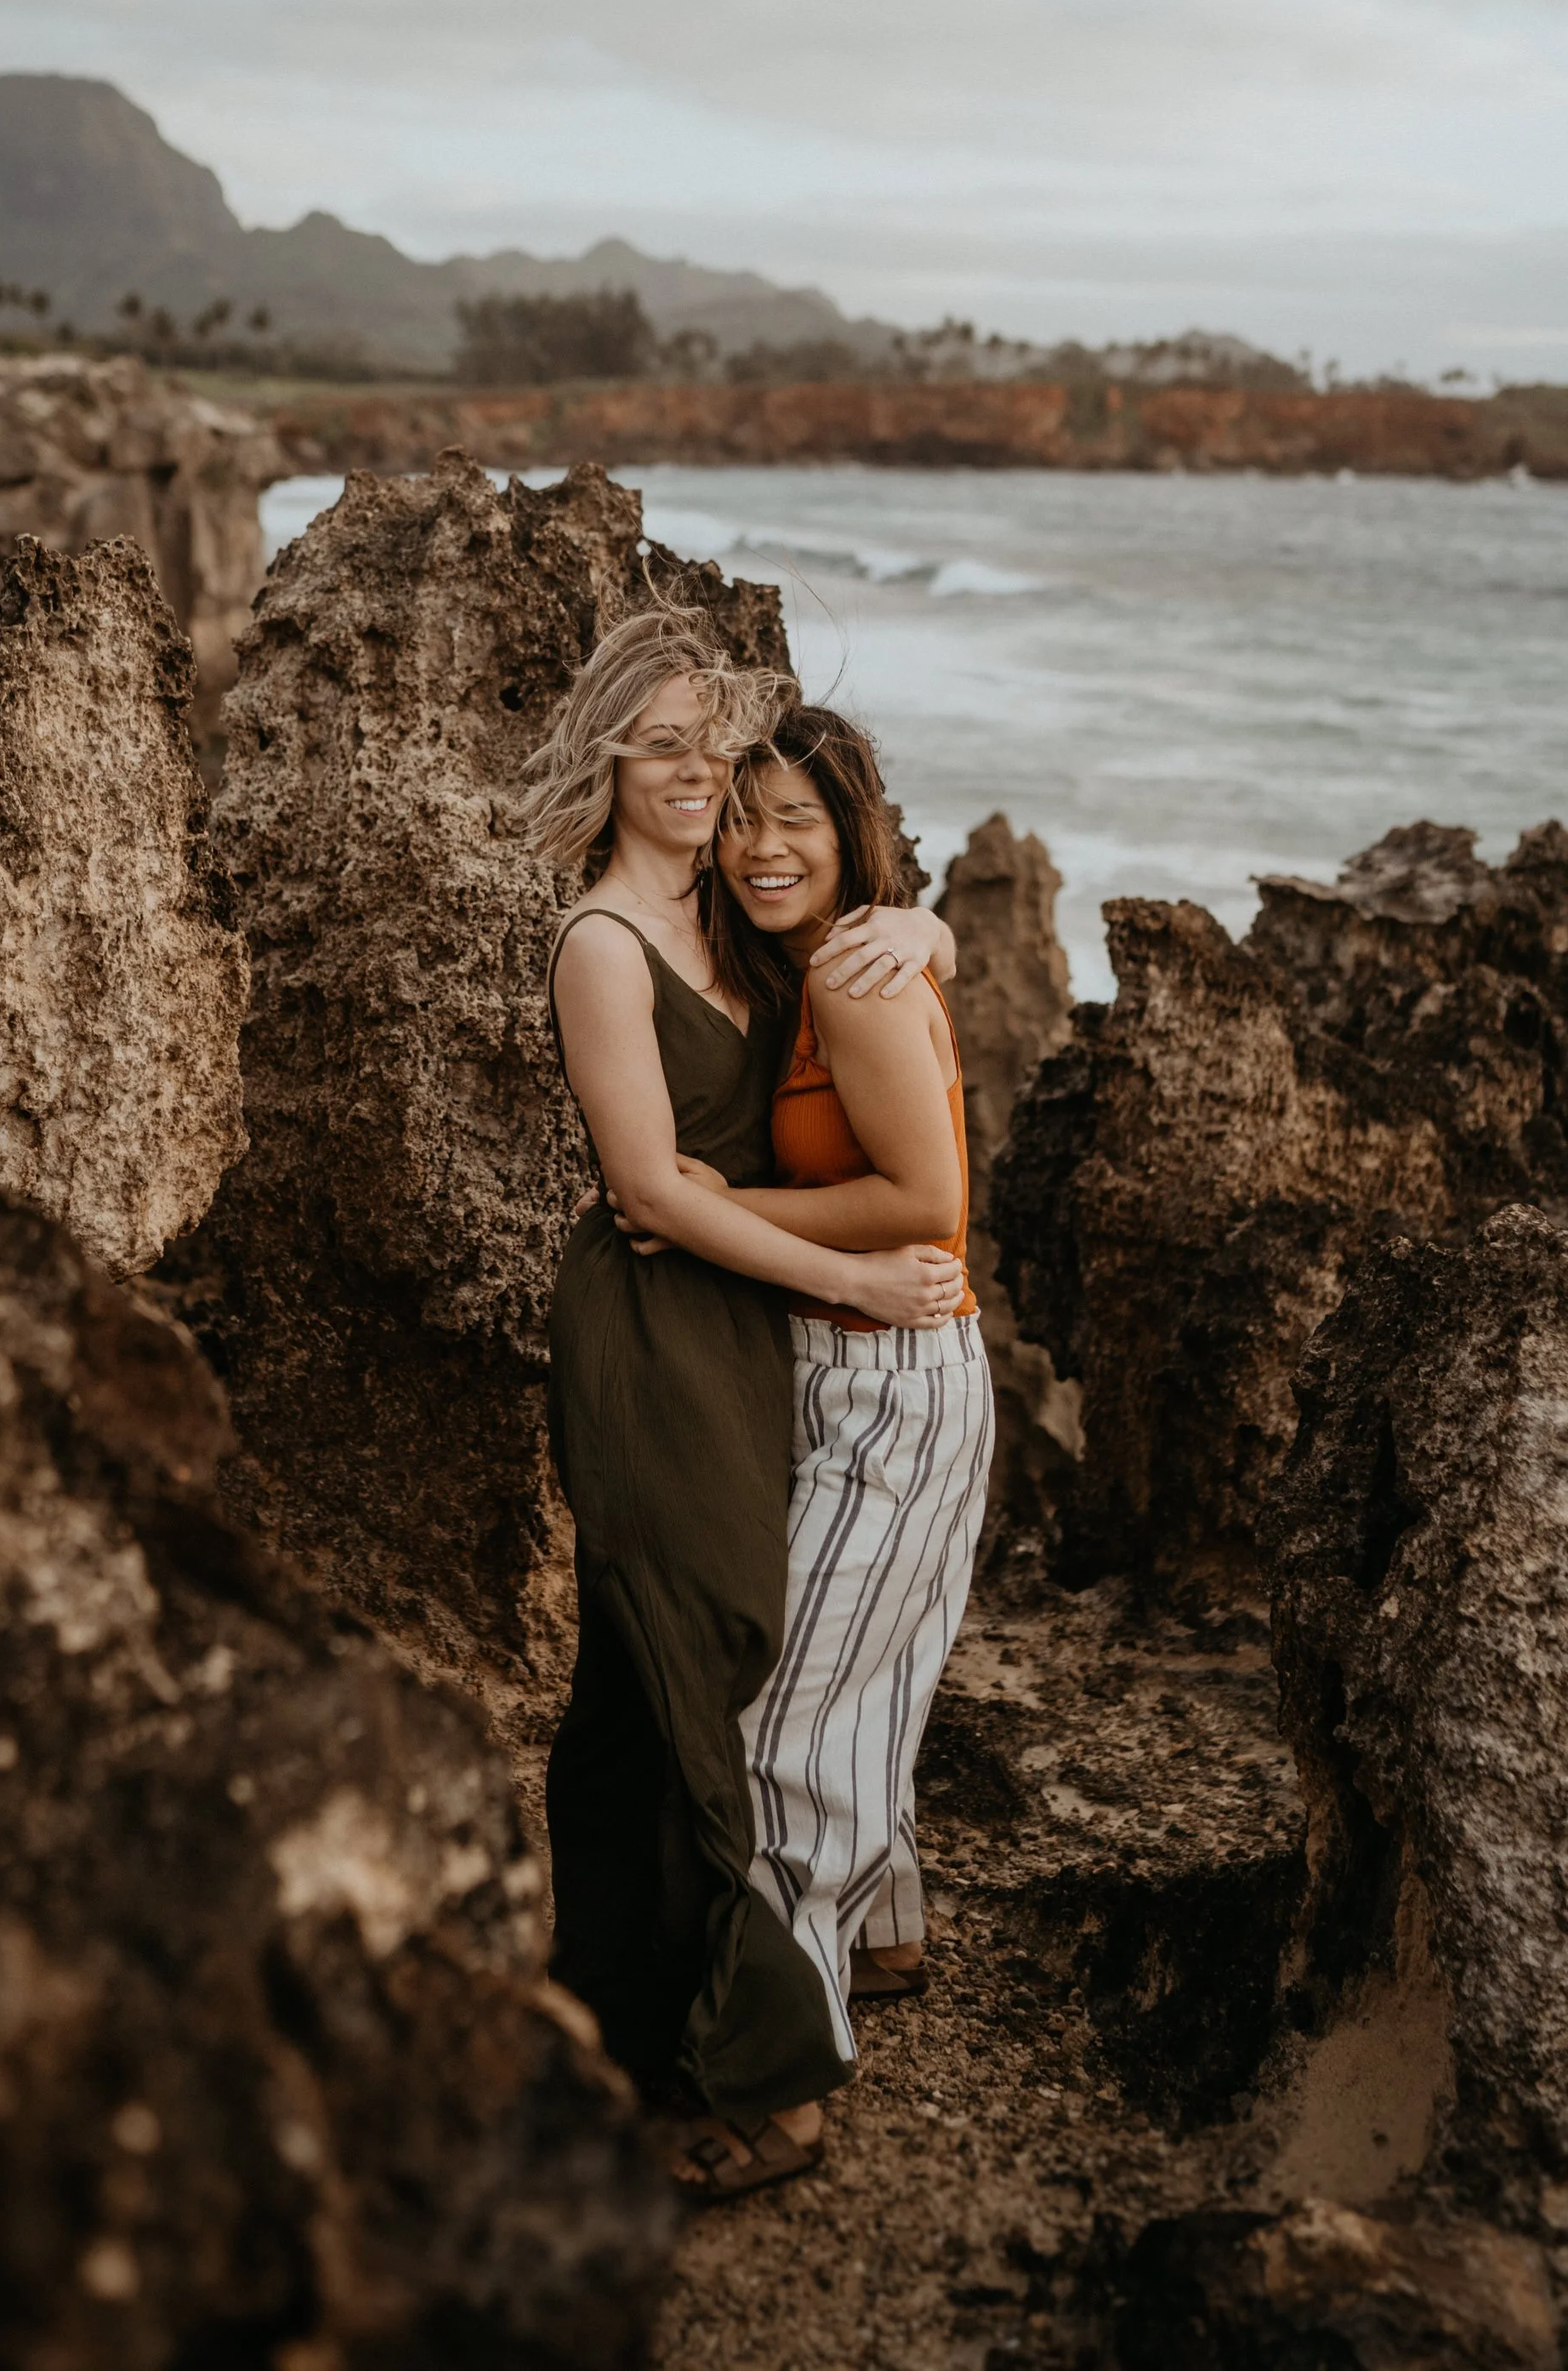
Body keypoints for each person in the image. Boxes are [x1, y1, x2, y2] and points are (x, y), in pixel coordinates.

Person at [524, 608, 963, 2200]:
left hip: (753, 1323)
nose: (702, 771)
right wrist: (852, 1281)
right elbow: (649, 1185)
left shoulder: (727, 902)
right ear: (612, 760)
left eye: (714, 742)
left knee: (695, 1664)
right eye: (666, 746)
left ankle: (668, 2017)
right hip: (655, 1328)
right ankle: (667, 2041)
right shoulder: (601, 941)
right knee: (673, 1660)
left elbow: (847, 907)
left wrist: (934, 937)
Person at [645, 702, 994, 2090]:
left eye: (795, 818)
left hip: (894, 1381)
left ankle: (774, 2081)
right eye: (738, 816)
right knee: (866, 1675)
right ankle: (880, 1936)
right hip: (850, 1368)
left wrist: (725, 1203)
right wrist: (931, 925)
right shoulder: (827, 960)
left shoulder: (849, 980)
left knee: (781, 1732)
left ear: (853, 835)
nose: (758, 845)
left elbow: (931, 1201)